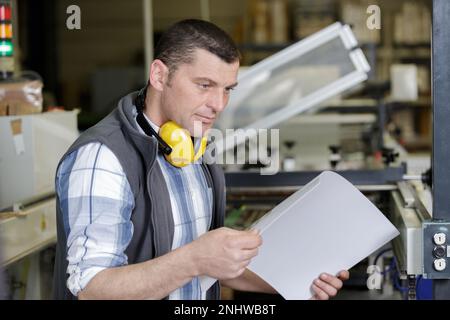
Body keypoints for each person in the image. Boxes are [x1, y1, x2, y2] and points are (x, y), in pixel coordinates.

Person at [53, 19, 348, 300]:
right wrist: (193, 259)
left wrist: (300, 280)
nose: (218, 105)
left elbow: (213, 267)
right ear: (159, 75)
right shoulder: (104, 157)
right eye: (204, 85)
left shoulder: (195, 147)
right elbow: (92, 289)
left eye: (227, 89)